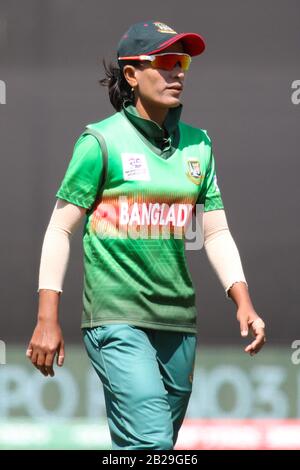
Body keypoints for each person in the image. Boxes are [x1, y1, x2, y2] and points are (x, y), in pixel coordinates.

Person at [26, 20, 266, 450]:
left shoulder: (199, 145)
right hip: (116, 320)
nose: (178, 73)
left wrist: (242, 299)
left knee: (147, 450)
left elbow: (216, 232)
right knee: (152, 445)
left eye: (184, 62)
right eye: (167, 62)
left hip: (178, 324)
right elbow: (59, 229)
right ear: (132, 74)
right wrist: (47, 318)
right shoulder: (100, 141)